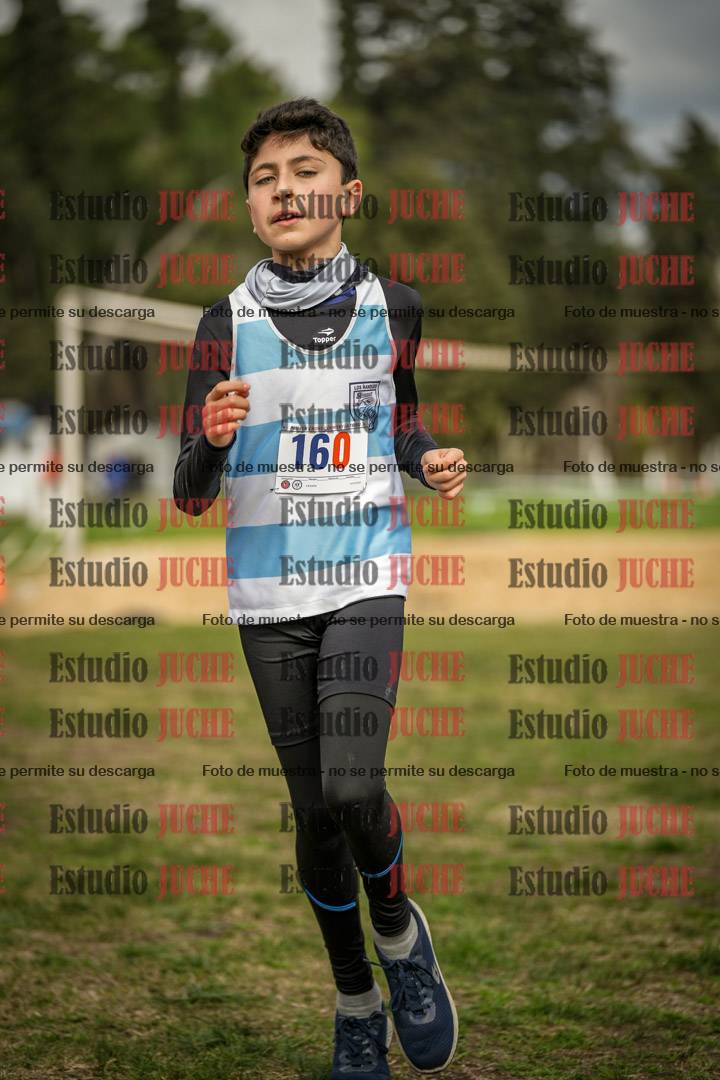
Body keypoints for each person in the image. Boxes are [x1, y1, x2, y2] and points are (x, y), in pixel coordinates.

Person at [173, 98, 467, 1079]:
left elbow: (401, 420)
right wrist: (212, 441)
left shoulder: (398, 306)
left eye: (306, 171)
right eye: (265, 177)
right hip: (268, 598)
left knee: (353, 786)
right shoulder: (223, 325)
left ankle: (400, 938)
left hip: (367, 574)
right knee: (314, 817)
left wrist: (427, 458)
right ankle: (354, 1003)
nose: (285, 189)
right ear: (250, 205)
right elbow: (188, 491)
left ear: (349, 191)